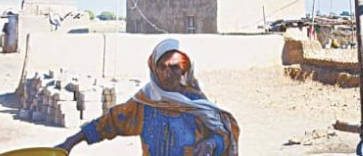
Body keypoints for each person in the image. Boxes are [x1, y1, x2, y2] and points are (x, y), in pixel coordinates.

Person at [56, 38, 239, 155]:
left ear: (184, 69)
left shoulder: (197, 103)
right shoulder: (145, 103)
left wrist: (211, 144)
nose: (168, 73)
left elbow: (223, 134)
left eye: (174, 67)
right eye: (162, 67)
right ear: (154, 69)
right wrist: (69, 142)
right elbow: (109, 122)